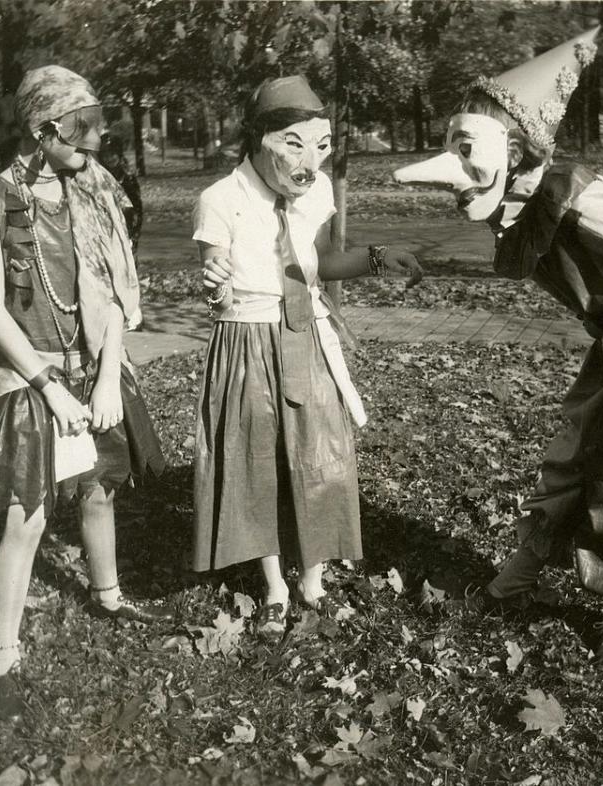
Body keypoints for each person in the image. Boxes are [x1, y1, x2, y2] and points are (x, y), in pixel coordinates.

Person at [395, 29, 603, 669]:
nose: (454, 172)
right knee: (576, 447)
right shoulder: (525, 204)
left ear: (515, 148)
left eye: (468, 150)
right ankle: (518, 576)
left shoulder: (577, 199)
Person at [0, 65, 169, 721]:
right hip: (31, 376)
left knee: (99, 488)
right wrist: (50, 386)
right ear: (41, 127)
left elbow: (113, 295)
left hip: (93, 368)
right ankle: (3, 652)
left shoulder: (95, 191)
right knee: (25, 518)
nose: (94, 143)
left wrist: (110, 374)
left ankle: (106, 595)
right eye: (81, 129)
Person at [192, 75, 423, 640]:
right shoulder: (220, 199)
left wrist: (376, 257)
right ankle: (273, 585)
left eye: (320, 145)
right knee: (256, 462)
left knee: (323, 453)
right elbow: (215, 288)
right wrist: (214, 281)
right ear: (259, 138)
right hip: (247, 338)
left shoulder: (317, 192)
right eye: (293, 143)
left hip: (307, 335)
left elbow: (318, 263)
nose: (309, 160)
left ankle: (312, 579)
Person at [98, 131, 143, 254]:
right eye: (105, 155)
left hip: (125, 226)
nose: (110, 159)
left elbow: (137, 208)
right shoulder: (98, 176)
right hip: (104, 228)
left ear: (119, 153)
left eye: (113, 154)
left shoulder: (127, 177)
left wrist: (133, 235)